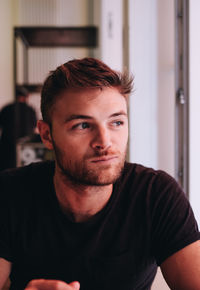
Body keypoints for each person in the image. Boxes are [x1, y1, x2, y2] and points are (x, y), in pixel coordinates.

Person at [0, 57, 200, 290]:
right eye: (83, 125)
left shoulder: (155, 195)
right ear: (46, 135)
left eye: (116, 122)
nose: (104, 142)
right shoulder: (9, 193)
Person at [0, 86, 37, 170]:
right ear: (26, 96)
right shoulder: (30, 110)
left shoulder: (6, 108)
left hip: (7, 146)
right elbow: (34, 126)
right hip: (26, 146)